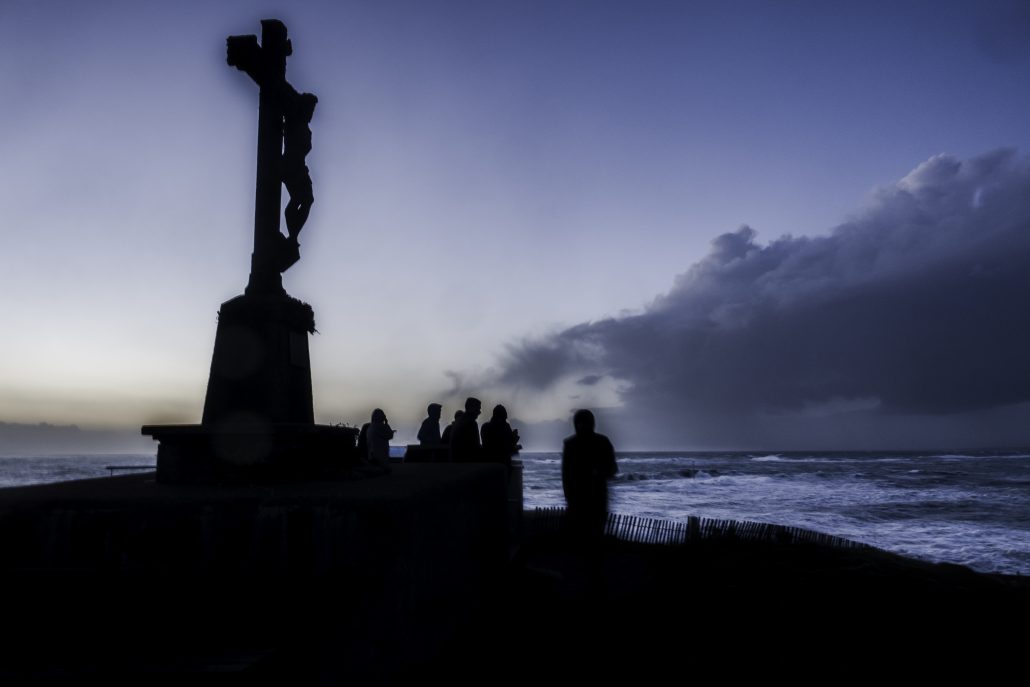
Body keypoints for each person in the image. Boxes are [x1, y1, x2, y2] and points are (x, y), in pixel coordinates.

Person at [561, 409, 618, 543]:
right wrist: (568, 497)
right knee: (581, 540)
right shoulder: (571, 444)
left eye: (584, 423)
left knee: (593, 538)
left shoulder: (601, 442)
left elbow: (612, 468)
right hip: (578, 499)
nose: (582, 426)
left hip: (595, 498)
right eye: (579, 423)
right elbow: (565, 475)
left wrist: (599, 472)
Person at [480, 404, 521, 470]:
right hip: (502, 462)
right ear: (501, 418)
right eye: (505, 418)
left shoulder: (485, 426)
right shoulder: (505, 427)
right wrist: (514, 438)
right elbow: (506, 447)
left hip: (487, 461)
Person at [449, 397, 483, 463]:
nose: (479, 412)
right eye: (478, 408)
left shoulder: (458, 421)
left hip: (456, 463)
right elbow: (475, 448)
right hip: (466, 464)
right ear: (471, 408)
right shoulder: (471, 423)